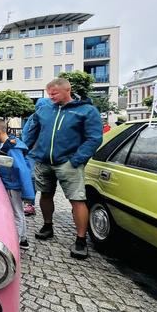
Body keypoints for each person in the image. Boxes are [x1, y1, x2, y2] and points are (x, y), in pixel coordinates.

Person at [24, 78, 102, 260]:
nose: (50, 97)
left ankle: (81, 240)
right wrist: (24, 151)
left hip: (69, 163)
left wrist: (77, 160)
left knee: (77, 200)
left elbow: (94, 138)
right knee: (45, 194)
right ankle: (47, 225)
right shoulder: (44, 110)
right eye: (49, 93)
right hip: (44, 161)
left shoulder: (86, 111)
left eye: (54, 93)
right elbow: (31, 133)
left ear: (67, 90)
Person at [0, 118, 34, 250]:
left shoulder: (12, 147)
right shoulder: (5, 145)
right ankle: (23, 240)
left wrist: (28, 192)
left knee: (16, 214)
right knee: (18, 212)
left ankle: (15, 244)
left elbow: (22, 169)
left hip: (12, 185)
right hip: (11, 183)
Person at [21, 97, 53, 216]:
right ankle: (29, 203)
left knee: (46, 182)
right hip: (34, 154)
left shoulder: (55, 117)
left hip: (52, 155)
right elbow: (27, 136)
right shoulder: (33, 118)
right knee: (32, 177)